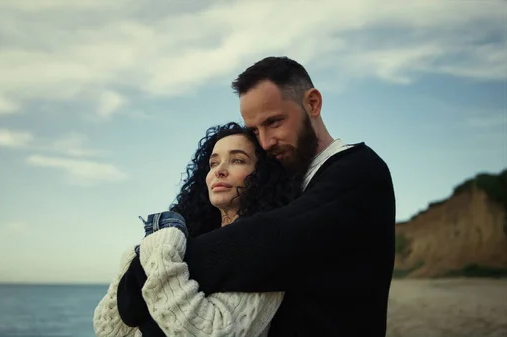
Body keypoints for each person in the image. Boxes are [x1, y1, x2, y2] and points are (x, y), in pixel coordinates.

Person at [116, 56, 396, 337]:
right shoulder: (293, 183)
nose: (264, 142)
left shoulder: (359, 172)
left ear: (312, 103)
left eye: (274, 122)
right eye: (254, 130)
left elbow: (271, 239)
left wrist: (146, 271)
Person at [93, 122, 301, 337]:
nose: (219, 171)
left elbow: (215, 332)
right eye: (213, 163)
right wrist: (134, 258)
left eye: (237, 160)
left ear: (264, 174)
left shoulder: (265, 246)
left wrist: (160, 253)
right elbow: (109, 330)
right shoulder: (186, 243)